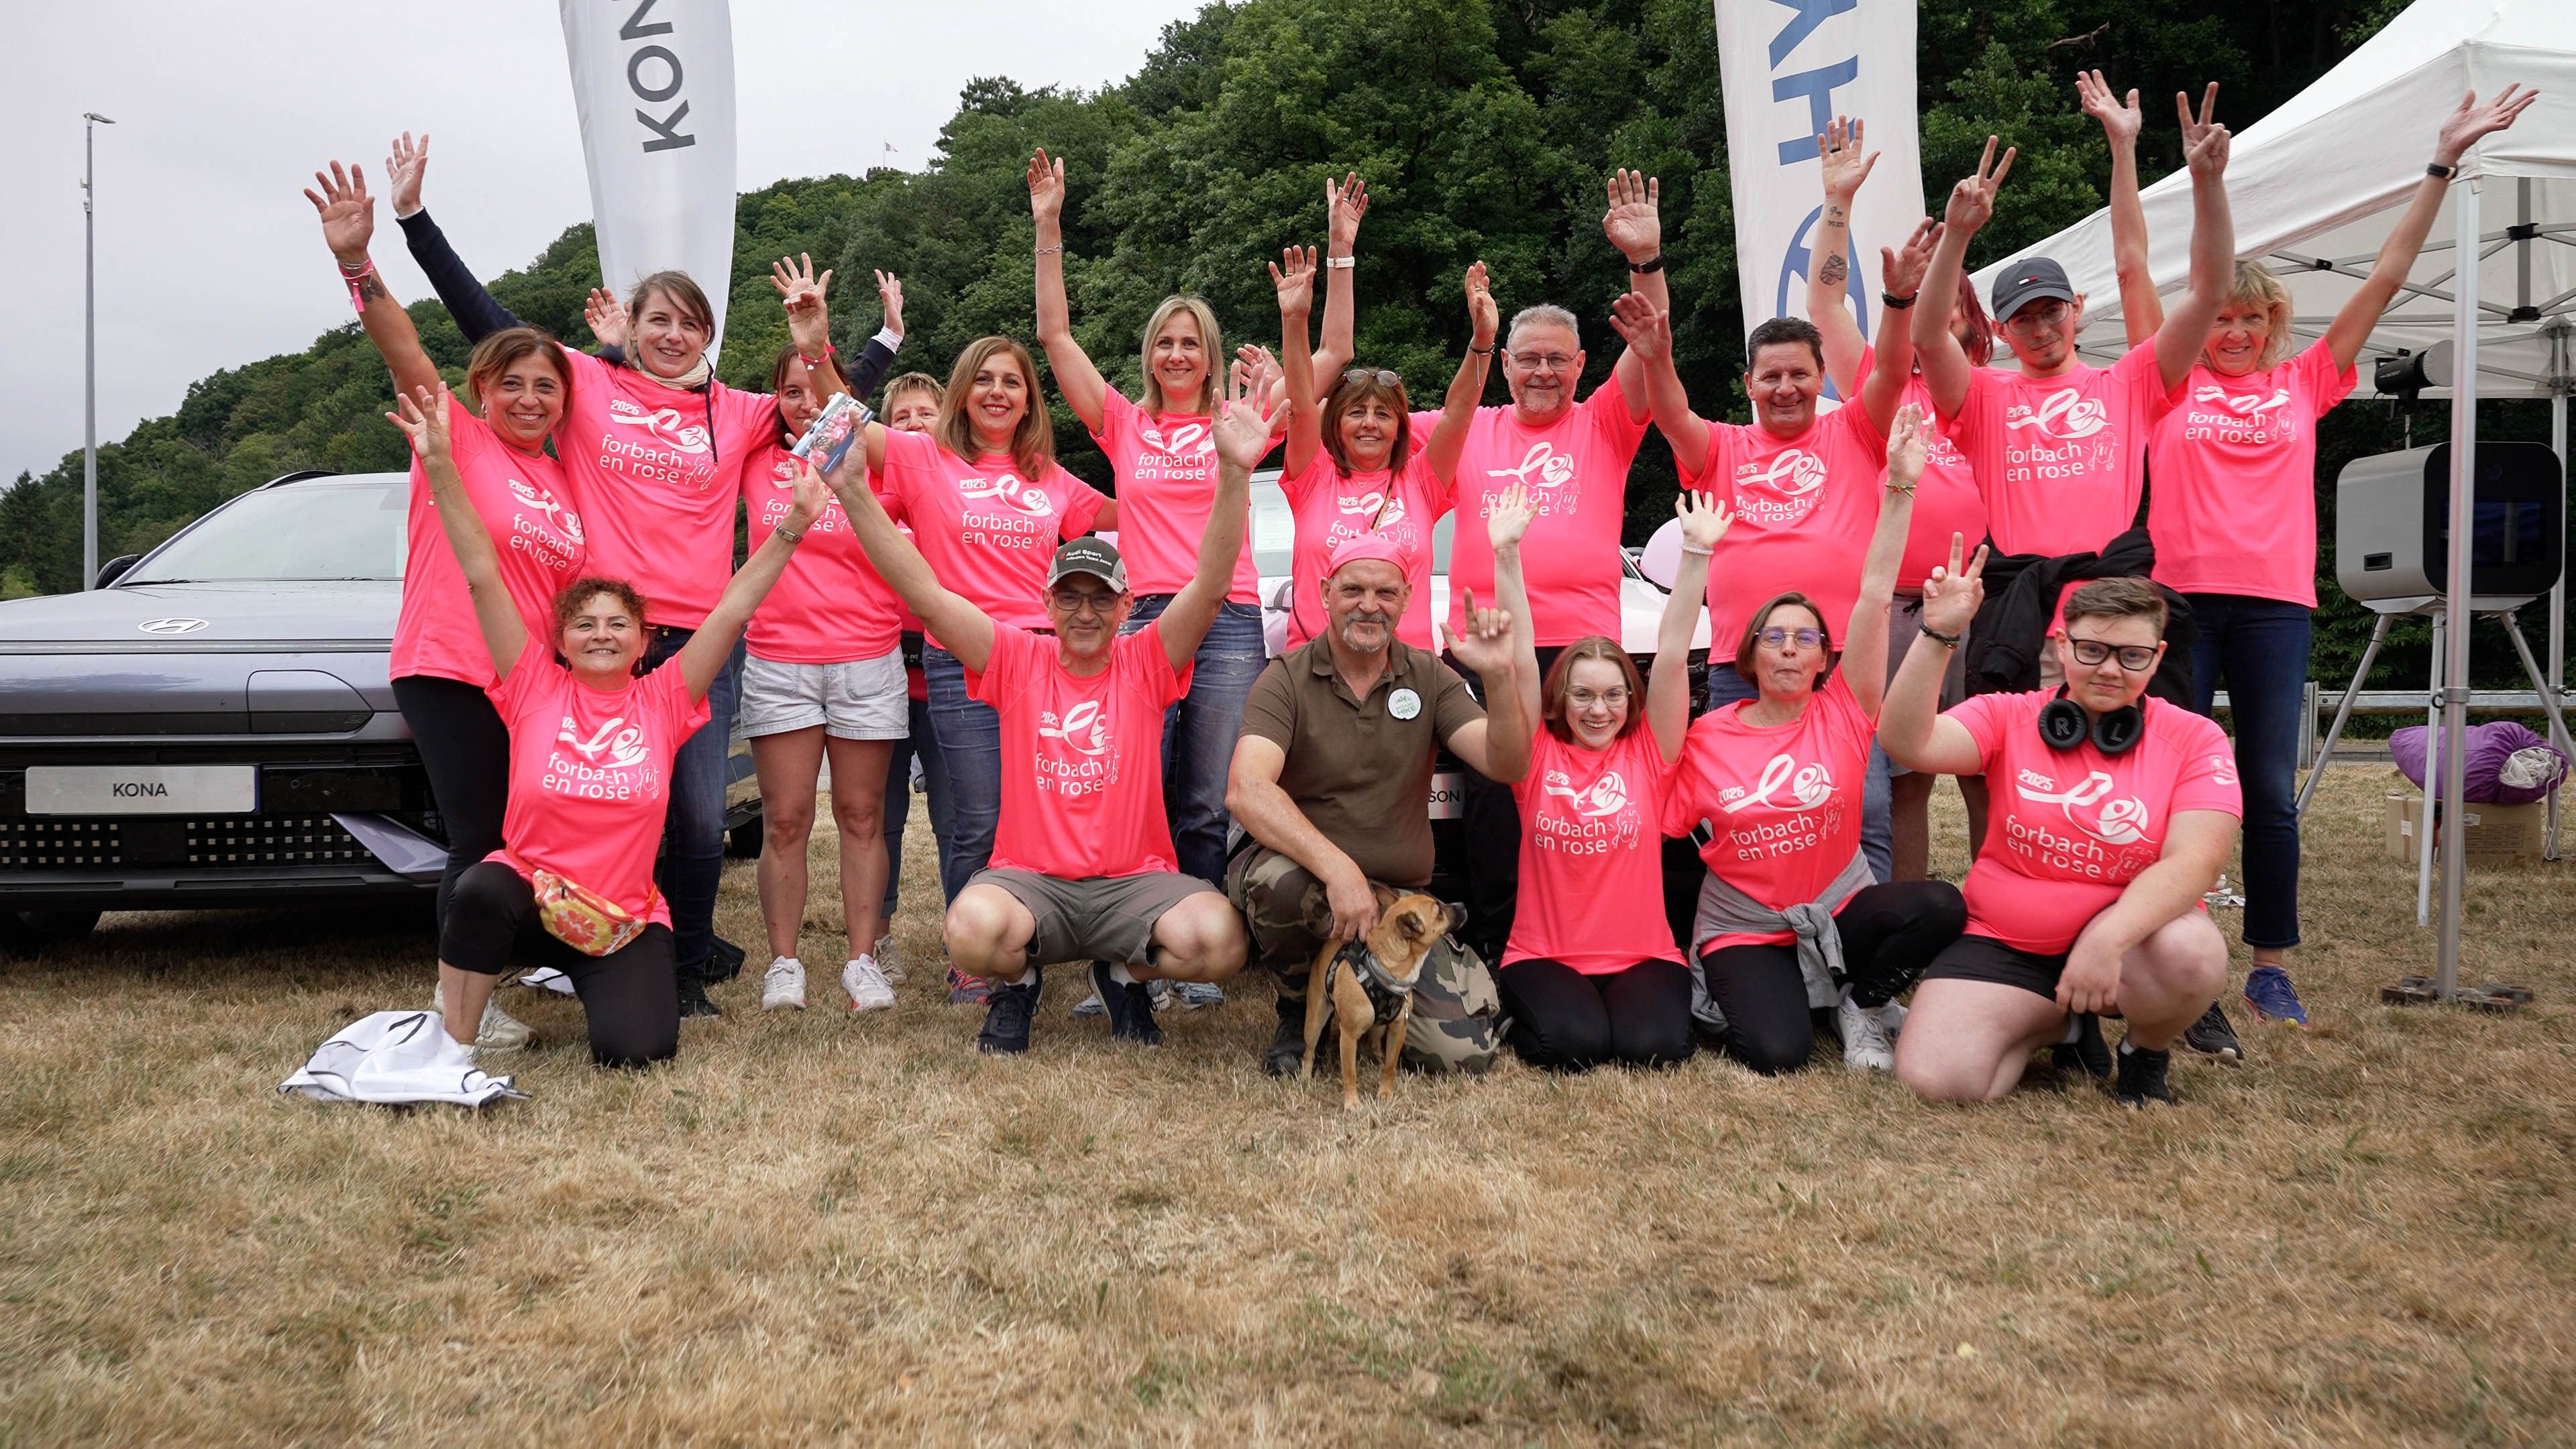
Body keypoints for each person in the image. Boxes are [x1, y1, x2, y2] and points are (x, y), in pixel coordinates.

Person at [380, 133, 898, 1018]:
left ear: (707, 335)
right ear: (634, 325)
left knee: (696, 816)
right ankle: (570, 950)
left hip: (694, 641)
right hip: (599, 638)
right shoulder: (586, 385)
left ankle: (682, 968)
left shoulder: (736, 411)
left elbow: (831, 418)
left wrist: (817, 342)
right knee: (588, 805)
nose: (673, 335)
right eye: (658, 321)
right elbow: (490, 327)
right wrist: (415, 223)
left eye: (689, 324)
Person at [2082, 77, 2537, 1045]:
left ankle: (2271, 968)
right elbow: (2130, 262)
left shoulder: (2307, 381)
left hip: (2275, 606)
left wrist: (2441, 162)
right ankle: (2177, 957)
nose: (2235, 333)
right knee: (2167, 786)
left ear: (2273, 325)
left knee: (2267, 793)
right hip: (2180, 606)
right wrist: (2124, 149)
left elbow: (2387, 275)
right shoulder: (2166, 380)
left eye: (2251, 321)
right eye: (2221, 318)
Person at [824, 365, 1270, 1055]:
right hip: (1032, 885)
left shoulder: (1148, 660)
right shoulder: (1015, 659)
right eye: (1070, 596)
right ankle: (1019, 984)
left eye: (1101, 599)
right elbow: (927, 595)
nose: (1085, 612)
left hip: (1133, 886)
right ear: (1047, 603)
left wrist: (1235, 472)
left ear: (1127, 605)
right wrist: (853, 490)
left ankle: (1123, 975)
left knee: (1220, 941)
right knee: (969, 931)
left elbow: (1211, 584)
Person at [388, 379, 822, 1066]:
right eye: (584, 624)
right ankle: (454, 1048)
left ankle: (605, 982)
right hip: (531, 906)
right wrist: (441, 465)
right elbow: (481, 573)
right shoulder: (530, 683)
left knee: (637, 1050)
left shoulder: (666, 697)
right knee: (481, 886)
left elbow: (733, 607)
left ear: (644, 641)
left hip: (618, 920)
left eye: (618, 624)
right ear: (559, 639)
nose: (600, 635)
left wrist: (793, 525)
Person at [1028, 157, 1363, 957]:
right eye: (1165, 344)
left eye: (1191, 343)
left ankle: (1199, 950)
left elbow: (1336, 352)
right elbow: (1055, 337)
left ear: (1211, 357)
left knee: (1209, 801)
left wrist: (1340, 253)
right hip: (1142, 622)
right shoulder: (1124, 424)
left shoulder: (1246, 413)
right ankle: (1131, 942)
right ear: (1150, 356)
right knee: (1133, 791)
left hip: (1228, 623)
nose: (1177, 354)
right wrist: (1048, 227)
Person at [307, 159, 587, 1054]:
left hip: (527, 681)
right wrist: (358, 263)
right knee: (480, 835)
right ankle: (458, 998)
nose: (530, 399)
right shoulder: (456, 437)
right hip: (450, 664)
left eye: (546, 386)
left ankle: (511, 961)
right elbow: (404, 349)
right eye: (513, 384)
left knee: (524, 830)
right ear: (482, 390)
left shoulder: (563, 479)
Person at [1656, 400, 1966, 1073]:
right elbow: (1671, 658)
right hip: (1745, 925)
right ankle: (1785, 987)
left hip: (1841, 908)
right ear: (1750, 655)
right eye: (1774, 637)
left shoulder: (1845, 713)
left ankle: (1863, 1002)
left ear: (1827, 655)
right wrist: (1698, 554)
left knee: (1941, 906)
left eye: (1806, 638)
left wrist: (1900, 485)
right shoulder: (1707, 738)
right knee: (1777, 1053)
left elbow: (1874, 594)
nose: (1791, 649)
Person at [1637, 208, 1936, 886]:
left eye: (1799, 374)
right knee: (1744, 813)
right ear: (1749, 385)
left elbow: (1892, 370)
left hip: (1842, 665)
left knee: (1863, 808)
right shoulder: (1721, 448)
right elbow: (1671, 414)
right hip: (1739, 666)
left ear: (1822, 377)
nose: (1785, 388)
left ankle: (1861, 936)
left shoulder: (1854, 430)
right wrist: (1656, 358)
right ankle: (1758, 927)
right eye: (1769, 376)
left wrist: (1897, 302)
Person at [1882, 564, 2241, 1107]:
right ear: (2062, 645)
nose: (2110, 669)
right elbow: (1907, 742)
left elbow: (2195, 862)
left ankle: (2145, 1051)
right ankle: (2064, 1023)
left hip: (2132, 949)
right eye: (2092, 650)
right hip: (2008, 939)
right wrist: (1939, 634)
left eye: (2132, 655)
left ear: (2158, 656)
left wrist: (2106, 940)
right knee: (1940, 1081)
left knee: (2191, 952)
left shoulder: (2196, 739)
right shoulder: (2009, 715)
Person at [1909, 115, 2233, 691]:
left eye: (2052, 311)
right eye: (2023, 320)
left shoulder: (2130, 381)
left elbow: (2208, 292)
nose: (2041, 330)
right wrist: (1956, 235)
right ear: (2000, 331)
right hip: (2024, 619)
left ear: (2077, 307)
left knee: (2125, 750)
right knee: (2020, 747)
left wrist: (2208, 185)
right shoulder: (1983, 394)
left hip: (2116, 616)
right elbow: (1929, 337)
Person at [1443, 170, 1668, 961]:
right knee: (1494, 804)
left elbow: (1650, 345)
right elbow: (1364, 430)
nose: (1543, 372)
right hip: (1487, 650)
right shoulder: (1469, 429)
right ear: (1505, 364)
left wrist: (1645, 261)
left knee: (1579, 801)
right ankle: (1499, 948)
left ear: (1580, 366)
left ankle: (1585, 936)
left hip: (1580, 653)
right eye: (1529, 359)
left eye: (1558, 361)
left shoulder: (1605, 423)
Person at [834, 340, 1118, 941]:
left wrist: (1194, 470)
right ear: (962, 394)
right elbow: (841, 412)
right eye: (984, 379)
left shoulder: (1049, 476)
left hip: (1044, 663)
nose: (997, 392)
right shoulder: (923, 458)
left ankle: (1033, 935)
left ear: (1029, 401)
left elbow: (1129, 515)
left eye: (1012, 382)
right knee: (981, 818)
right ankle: (973, 952)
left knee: (1043, 813)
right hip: (961, 659)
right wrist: (816, 350)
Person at [1226, 529, 1533, 1075]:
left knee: (1459, 1054)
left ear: (1406, 599)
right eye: (1353, 590)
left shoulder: (1431, 676)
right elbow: (1246, 789)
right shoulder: (1285, 678)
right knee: (1281, 886)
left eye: (1385, 592)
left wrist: (1498, 678)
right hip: (1308, 877)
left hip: (1398, 900)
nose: (1369, 605)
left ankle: (1376, 994)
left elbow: (1506, 764)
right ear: (1325, 593)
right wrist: (1338, 869)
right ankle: (1298, 1009)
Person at [1807, 115, 1998, 880]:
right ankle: (1909, 912)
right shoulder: (1879, 389)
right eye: (1921, 302)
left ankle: (1997, 916)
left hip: (1980, 600)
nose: (1934, 314)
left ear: (1969, 318)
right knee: (1903, 773)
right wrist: (1837, 203)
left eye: (1947, 303)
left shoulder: (1994, 396)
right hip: (1894, 606)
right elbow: (1827, 307)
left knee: (1990, 767)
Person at [734, 257, 912, 1014]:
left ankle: (862, 960)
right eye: (789, 391)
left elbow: (849, 387)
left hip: (868, 658)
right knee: (785, 820)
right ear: (772, 400)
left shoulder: (873, 457)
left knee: (863, 818)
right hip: (780, 660)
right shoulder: (753, 460)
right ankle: (784, 964)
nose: (804, 402)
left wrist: (874, 340)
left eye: (814, 388)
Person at [1475, 474, 1699, 1070]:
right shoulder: (1534, 755)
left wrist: (1697, 553)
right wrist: (1506, 553)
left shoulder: (1650, 754)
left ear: (1630, 699)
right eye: (1582, 695)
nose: (1599, 710)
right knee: (1571, 1047)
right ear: (1560, 700)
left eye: (1613, 695)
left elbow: (1673, 655)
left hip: (1643, 955)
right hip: (1543, 954)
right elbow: (1522, 657)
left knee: (1653, 1050)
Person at [1272, 250, 1491, 652]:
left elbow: (1458, 415)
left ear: (1400, 427)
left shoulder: (1422, 481)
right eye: (1357, 412)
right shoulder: (1314, 474)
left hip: (1406, 670)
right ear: (1335, 423)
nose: (1369, 423)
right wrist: (1294, 320)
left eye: (1383, 414)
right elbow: (1301, 403)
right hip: (1316, 666)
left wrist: (1482, 342)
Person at [869, 373, 970, 1000]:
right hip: (882, 678)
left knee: (959, 819)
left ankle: (966, 937)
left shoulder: (962, 487)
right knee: (880, 819)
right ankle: (878, 938)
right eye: (900, 417)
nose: (912, 425)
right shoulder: (869, 492)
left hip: (948, 681)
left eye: (925, 414)